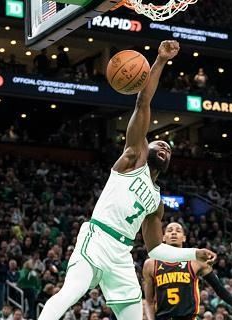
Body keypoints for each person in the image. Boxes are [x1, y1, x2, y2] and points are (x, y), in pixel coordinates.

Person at [38, 40, 216, 320]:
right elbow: (143, 101)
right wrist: (159, 60)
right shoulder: (133, 158)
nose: (165, 147)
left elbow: (156, 249)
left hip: (122, 253)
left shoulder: (157, 202)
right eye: (158, 143)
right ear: (147, 148)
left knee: (132, 316)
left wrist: (193, 253)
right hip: (97, 238)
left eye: (169, 148)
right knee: (70, 293)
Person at [143, 222, 232, 320]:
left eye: (178, 230)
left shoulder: (195, 261)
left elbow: (219, 288)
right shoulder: (151, 264)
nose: (173, 233)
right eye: (169, 230)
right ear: (163, 237)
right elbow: (149, 302)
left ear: (184, 237)